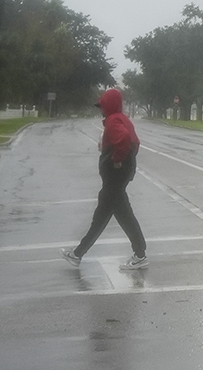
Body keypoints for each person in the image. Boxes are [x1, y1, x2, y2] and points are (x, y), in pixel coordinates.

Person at [63, 87, 148, 269]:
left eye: (102, 105)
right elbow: (135, 142)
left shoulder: (112, 120)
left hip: (114, 176)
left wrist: (117, 159)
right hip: (119, 177)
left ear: (109, 105)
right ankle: (78, 253)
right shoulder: (122, 120)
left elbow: (124, 139)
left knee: (120, 216)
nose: (100, 109)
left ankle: (140, 254)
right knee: (105, 215)